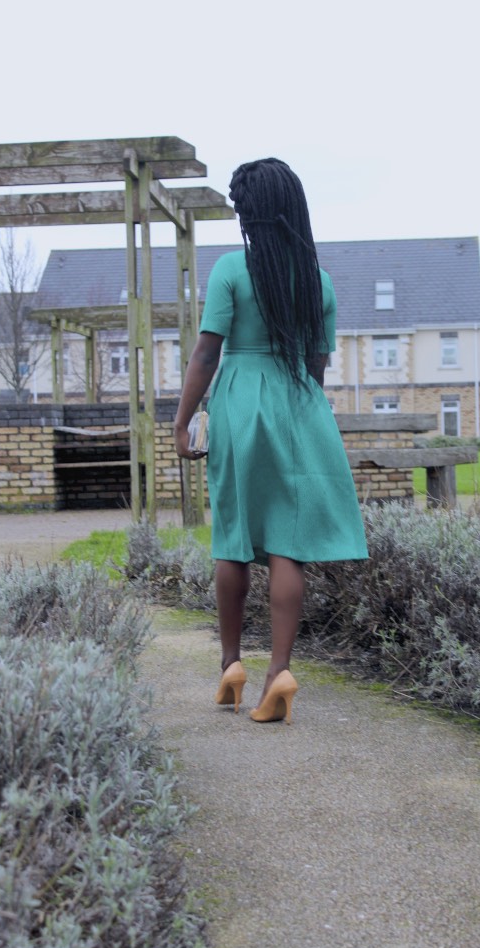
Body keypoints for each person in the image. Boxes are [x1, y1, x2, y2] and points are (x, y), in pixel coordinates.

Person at [174, 158, 367, 724]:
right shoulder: (318, 280)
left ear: (248, 214)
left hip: (240, 402)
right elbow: (318, 363)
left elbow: (206, 354)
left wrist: (182, 421)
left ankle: (231, 666)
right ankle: (279, 671)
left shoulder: (232, 269)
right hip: (301, 405)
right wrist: (300, 411)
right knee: (289, 542)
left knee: (233, 537)